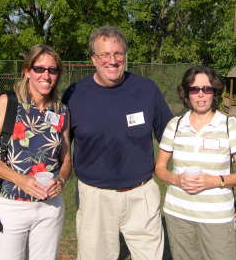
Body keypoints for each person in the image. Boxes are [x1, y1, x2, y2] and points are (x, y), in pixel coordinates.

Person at [62, 26, 173, 260]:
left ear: (125, 55)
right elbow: (60, 147)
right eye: (104, 54)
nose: (112, 60)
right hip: (95, 198)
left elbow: (170, 136)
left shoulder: (146, 89)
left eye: (118, 53)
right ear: (93, 59)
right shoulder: (74, 94)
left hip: (141, 193)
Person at [0, 44, 71, 260]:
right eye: (39, 69)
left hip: (49, 208)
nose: (46, 75)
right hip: (11, 206)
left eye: (52, 70)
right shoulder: (8, 103)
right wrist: (21, 180)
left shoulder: (61, 110)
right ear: (27, 71)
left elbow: (66, 159)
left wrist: (62, 181)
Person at [155, 66, 236, 260]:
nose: (200, 95)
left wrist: (214, 181)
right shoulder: (175, 125)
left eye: (206, 89)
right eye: (194, 89)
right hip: (178, 214)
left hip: (216, 217)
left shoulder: (228, 125)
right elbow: (160, 168)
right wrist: (177, 179)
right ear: (187, 93)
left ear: (214, 92)